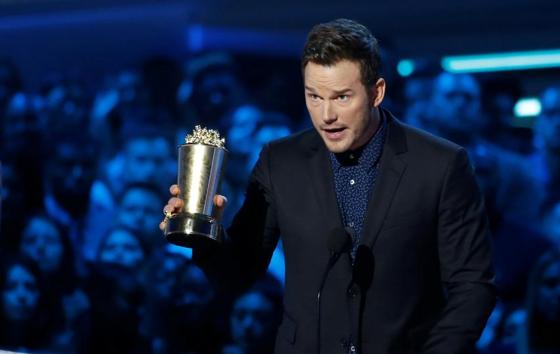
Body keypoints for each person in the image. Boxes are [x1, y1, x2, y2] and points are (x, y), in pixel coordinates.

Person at [161, 18, 495, 354]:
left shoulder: (440, 164)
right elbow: (239, 275)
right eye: (314, 97)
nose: (326, 115)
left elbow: (472, 287)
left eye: (341, 97)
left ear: (377, 92)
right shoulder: (280, 161)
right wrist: (204, 234)